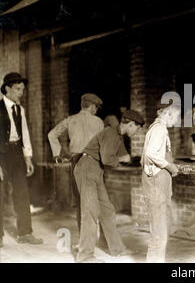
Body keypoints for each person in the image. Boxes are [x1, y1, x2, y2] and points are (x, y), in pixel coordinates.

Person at [73, 109, 144, 263]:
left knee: (107, 211)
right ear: (130, 124)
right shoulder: (111, 133)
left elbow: (124, 157)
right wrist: (122, 160)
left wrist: (134, 159)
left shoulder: (118, 137)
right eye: (136, 128)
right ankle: (85, 257)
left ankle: (115, 248)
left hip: (96, 170)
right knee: (90, 211)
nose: (136, 132)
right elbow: (107, 159)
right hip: (87, 168)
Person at [48, 93, 104, 234]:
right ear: (91, 106)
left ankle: (82, 238)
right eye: (96, 107)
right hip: (93, 163)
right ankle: (95, 239)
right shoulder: (98, 122)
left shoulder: (70, 120)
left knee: (80, 202)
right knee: (95, 200)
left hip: (76, 162)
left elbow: (51, 135)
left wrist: (58, 154)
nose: (96, 110)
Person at [0, 72, 43, 248]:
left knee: (22, 194)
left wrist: (28, 158)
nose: (21, 93)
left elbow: (24, 135)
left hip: (17, 155)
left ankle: (25, 233)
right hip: (1, 156)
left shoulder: (20, 110)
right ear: (7, 89)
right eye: (18, 89)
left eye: (22, 90)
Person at [141, 105, 181, 262]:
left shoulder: (156, 128)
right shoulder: (160, 129)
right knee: (159, 232)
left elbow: (146, 157)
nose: (177, 120)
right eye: (176, 116)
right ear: (169, 114)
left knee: (160, 229)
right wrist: (170, 166)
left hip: (157, 182)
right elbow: (151, 154)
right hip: (157, 184)